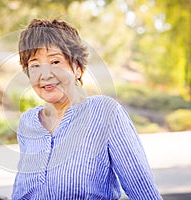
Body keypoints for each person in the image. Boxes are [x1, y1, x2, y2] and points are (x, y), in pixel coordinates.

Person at [11, 18, 162, 200]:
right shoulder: (28, 123)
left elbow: (144, 194)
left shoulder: (105, 113)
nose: (45, 74)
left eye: (55, 62)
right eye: (35, 65)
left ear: (77, 68)